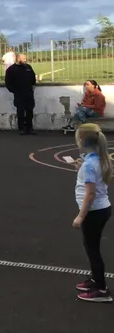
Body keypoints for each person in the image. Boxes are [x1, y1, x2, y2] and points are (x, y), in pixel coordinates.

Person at [72, 123, 112, 303]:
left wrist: (81, 216)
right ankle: (96, 280)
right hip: (102, 209)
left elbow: (90, 193)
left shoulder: (90, 164)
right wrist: (80, 167)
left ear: (82, 141)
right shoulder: (97, 159)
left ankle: (101, 289)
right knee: (91, 247)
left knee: (92, 249)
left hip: (94, 212)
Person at [4, 53, 38, 135]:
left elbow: (33, 78)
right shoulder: (11, 69)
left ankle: (29, 128)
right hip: (19, 94)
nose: (25, 60)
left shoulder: (28, 67)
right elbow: (8, 82)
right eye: (23, 59)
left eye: (25, 58)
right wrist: (13, 90)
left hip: (29, 93)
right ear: (18, 59)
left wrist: (33, 86)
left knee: (30, 110)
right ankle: (22, 128)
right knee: (20, 111)